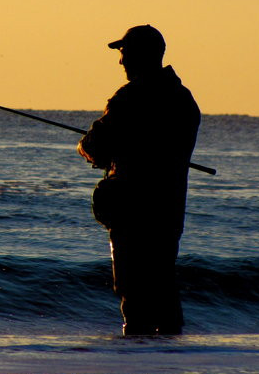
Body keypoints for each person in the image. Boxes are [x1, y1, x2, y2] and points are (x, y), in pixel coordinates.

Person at [77, 25, 200, 336]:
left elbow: (95, 146)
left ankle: (137, 366)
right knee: (164, 288)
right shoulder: (184, 100)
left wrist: (85, 146)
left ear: (138, 55)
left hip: (132, 212)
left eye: (124, 54)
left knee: (134, 293)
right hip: (169, 210)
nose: (121, 62)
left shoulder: (129, 98)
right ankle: (167, 365)